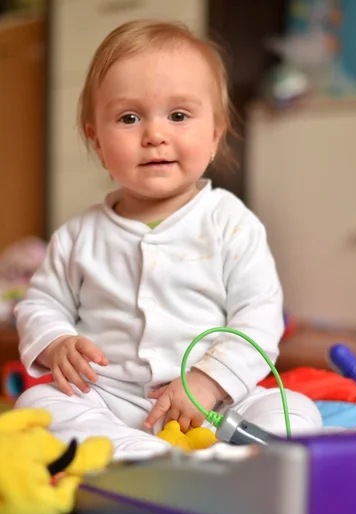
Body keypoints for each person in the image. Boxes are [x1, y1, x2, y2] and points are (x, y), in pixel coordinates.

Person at [14, 20, 321, 460]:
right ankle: (145, 456)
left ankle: (236, 462)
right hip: (111, 399)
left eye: (178, 116)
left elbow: (259, 316)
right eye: (129, 117)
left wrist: (209, 380)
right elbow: (40, 303)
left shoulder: (230, 223)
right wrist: (56, 341)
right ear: (96, 140)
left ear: (215, 134)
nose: (155, 134)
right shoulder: (77, 237)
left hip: (217, 405)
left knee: (293, 409)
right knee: (38, 406)